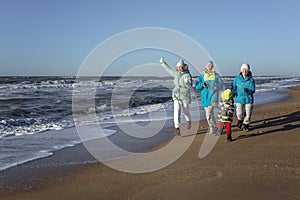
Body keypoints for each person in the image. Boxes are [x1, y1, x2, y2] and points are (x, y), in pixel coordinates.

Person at [159, 57, 192, 135]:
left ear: (183, 67)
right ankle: (177, 127)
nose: (179, 68)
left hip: (185, 96)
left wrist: (186, 83)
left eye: (180, 67)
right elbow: (169, 69)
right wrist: (162, 63)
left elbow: (190, 86)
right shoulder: (176, 74)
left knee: (185, 111)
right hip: (176, 95)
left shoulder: (187, 75)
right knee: (176, 110)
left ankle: (188, 121)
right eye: (178, 67)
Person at [195, 61, 223, 134]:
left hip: (213, 96)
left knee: (208, 114)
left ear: (212, 67)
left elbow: (221, 84)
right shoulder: (202, 76)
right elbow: (197, 86)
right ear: (206, 67)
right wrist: (202, 84)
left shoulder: (216, 75)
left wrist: (217, 86)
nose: (209, 67)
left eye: (210, 66)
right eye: (208, 65)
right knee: (210, 114)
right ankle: (215, 127)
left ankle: (211, 127)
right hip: (205, 97)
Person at [231, 63, 255, 131]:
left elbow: (253, 90)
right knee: (239, 113)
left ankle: (245, 124)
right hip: (239, 98)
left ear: (248, 71)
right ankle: (240, 120)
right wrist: (233, 93)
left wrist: (248, 90)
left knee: (248, 114)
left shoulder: (251, 80)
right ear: (241, 70)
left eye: (246, 70)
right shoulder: (237, 79)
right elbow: (234, 87)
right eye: (244, 69)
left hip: (248, 99)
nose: (245, 71)